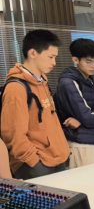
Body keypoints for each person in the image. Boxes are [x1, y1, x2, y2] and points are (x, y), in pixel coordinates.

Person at [1, 30, 69, 179]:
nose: (54, 62)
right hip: (36, 165)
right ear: (32, 53)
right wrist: (35, 162)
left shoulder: (42, 82)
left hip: (56, 159)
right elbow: (13, 136)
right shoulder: (16, 88)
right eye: (50, 57)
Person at [54, 38, 94, 168]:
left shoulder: (91, 80)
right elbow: (88, 117)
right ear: (76, 60)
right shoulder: (69, 82)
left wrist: (83, 120)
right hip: (80, 143)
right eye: (88, 62)